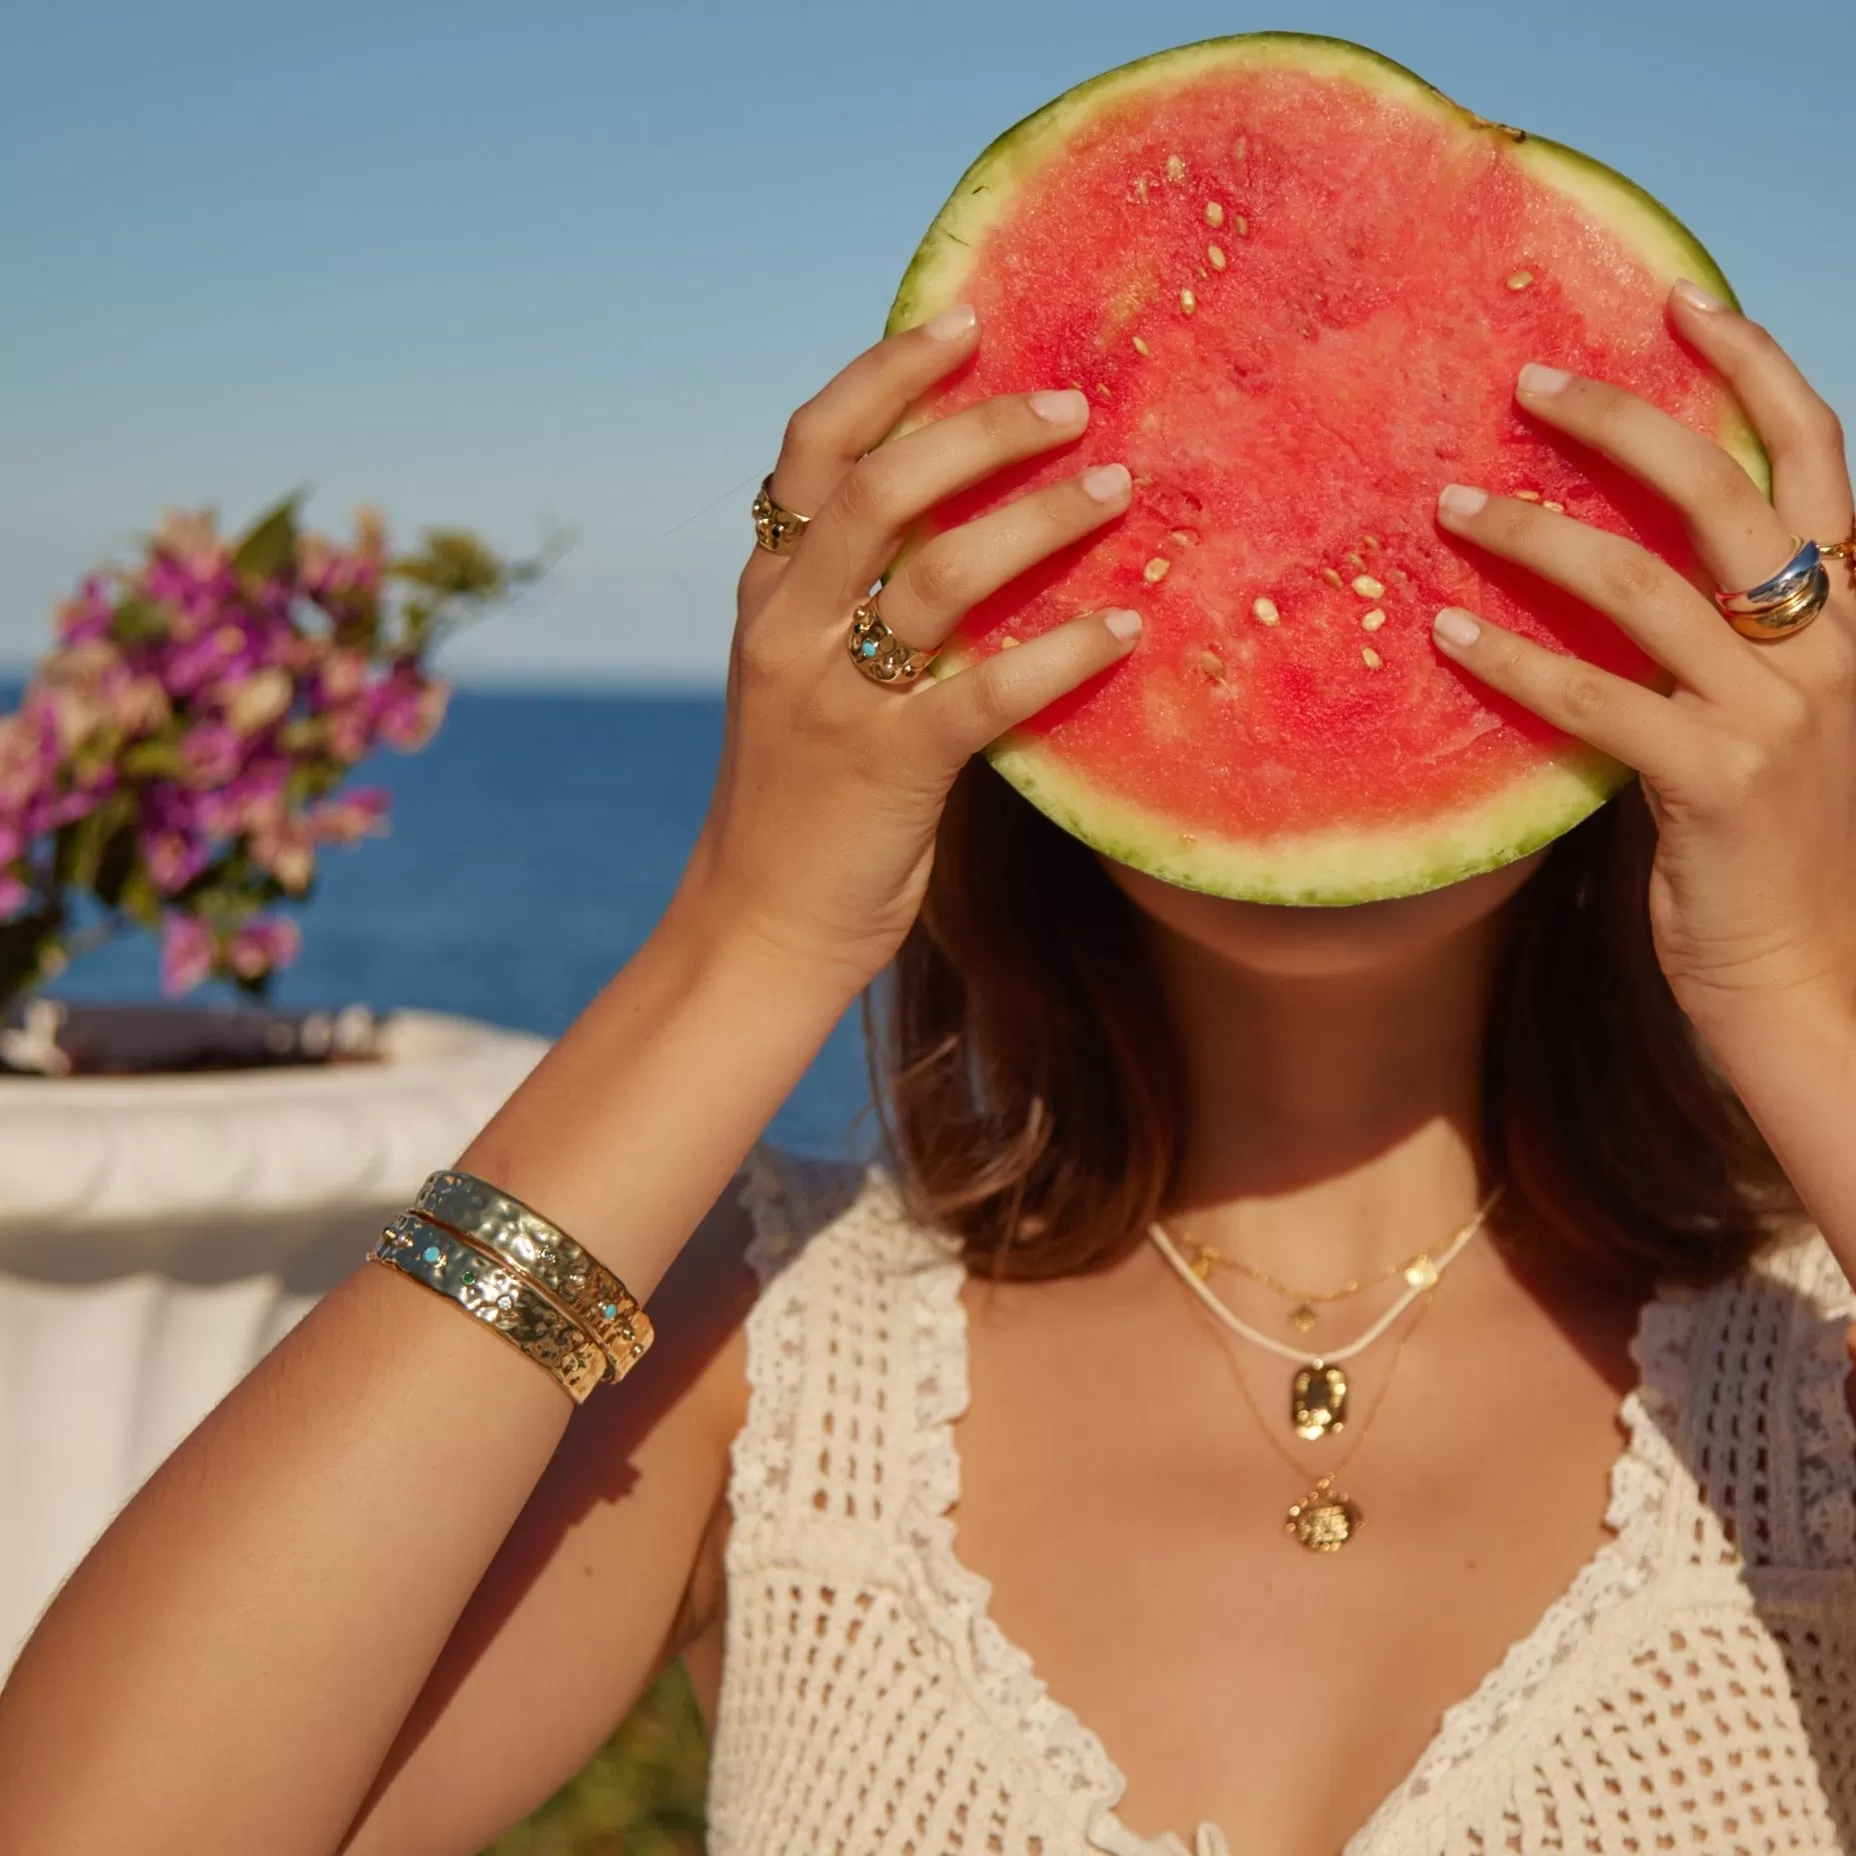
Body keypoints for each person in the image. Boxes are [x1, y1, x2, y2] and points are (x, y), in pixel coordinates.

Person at [1, 281, 1854, 1856]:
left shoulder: (1821, 1357)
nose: (1305, 586)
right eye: (1175, 531)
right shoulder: (779, 1352)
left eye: (1459, 540)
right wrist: (743, 947)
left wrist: (1794, 984)